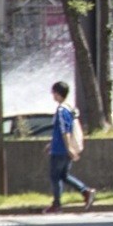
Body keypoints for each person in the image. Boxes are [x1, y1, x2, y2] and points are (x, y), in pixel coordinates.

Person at [44, 81, 96, 213]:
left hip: (61, 150)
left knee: (55, 176)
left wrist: (69, 149)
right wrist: (51, 144)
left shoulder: (62, 110)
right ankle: (85, 191)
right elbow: (62, 130)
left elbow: (65, 130)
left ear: (58, 93)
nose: (52, 95)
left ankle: (57, 204)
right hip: (60, 147)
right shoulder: (69, 108)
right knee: (64, 175)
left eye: (53, 92)